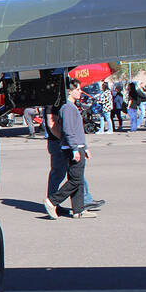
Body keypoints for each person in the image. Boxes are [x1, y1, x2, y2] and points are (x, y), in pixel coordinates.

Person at [43, 78, 95, 219]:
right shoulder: (67, 107)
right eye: (77, 89)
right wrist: (74, 149)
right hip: (72, 147)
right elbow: (68, 130)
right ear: (69, 91)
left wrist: (85, 147)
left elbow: (78, 131)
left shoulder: (71, 107)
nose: (80, 92)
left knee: (76, 178)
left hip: (78, 146)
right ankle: (52, 201)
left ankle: (78, 209)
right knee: (75, 180)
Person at [45, 102, 103, 214]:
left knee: (74, 174)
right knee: (65, 175)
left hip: (64, 142)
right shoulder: (53, 104)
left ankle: (81, 202)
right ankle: (53, 202)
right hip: (60, 143)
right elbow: (52, 124)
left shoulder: (61, 103)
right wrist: (68, 142)